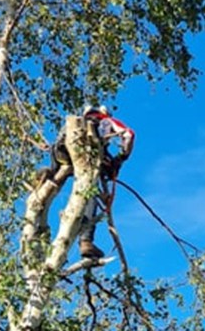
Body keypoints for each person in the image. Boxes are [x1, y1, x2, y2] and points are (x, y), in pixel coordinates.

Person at [33, 105, 134, 259]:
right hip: (85, 153)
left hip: (61, 149)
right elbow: (129, 134)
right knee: (89, 192)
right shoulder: (105, 121)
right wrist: (121, 157)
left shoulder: (76, 124)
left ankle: (47, 176)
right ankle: (86, 240)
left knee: (56, 177)